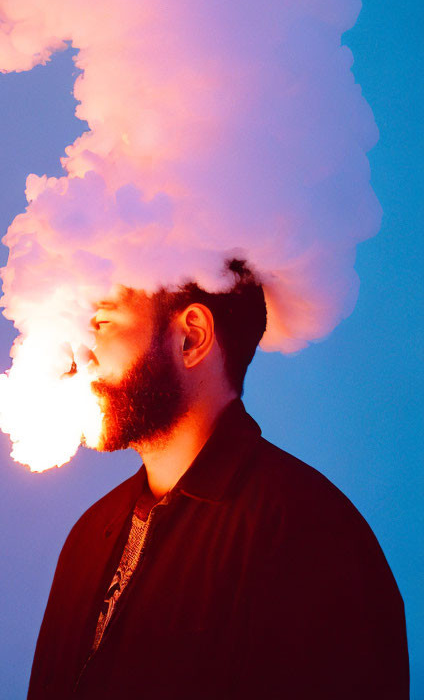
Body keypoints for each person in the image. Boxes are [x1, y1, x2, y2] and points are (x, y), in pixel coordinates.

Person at [27, 261, 409, 699]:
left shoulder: (308, 531)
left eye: (102, 322)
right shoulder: (89, 534)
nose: (82, 352)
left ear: (191, 337)